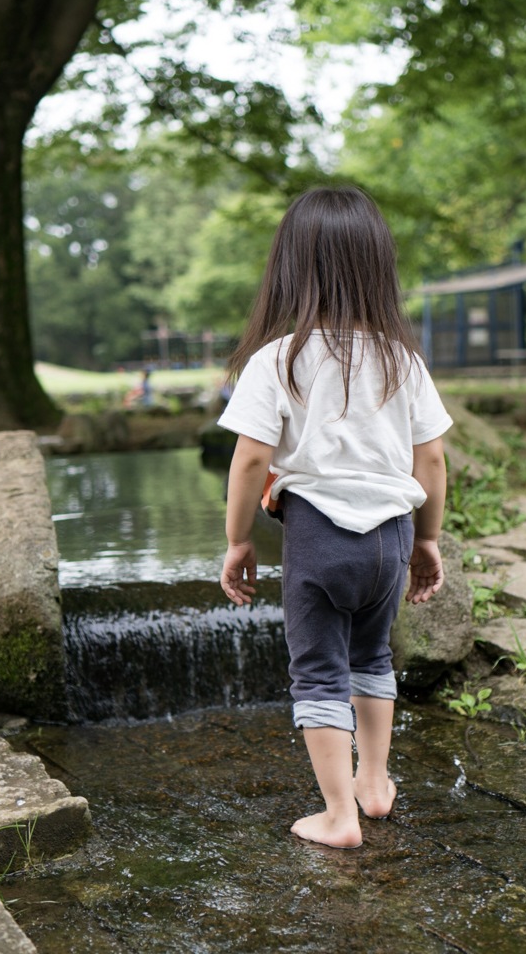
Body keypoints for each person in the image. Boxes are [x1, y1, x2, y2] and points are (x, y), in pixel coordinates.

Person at [218, 185, 452, 850]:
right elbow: (429, 459)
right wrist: (427, 539)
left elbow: (248, 460)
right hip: (391, 534)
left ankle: (338, 815)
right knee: (370, 655)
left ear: (288, 267)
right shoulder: (401, 359)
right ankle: (374, 785)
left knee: (318, 670)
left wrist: (238, 541)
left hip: (318, 535)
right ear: (378, 266)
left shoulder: (277, 359)